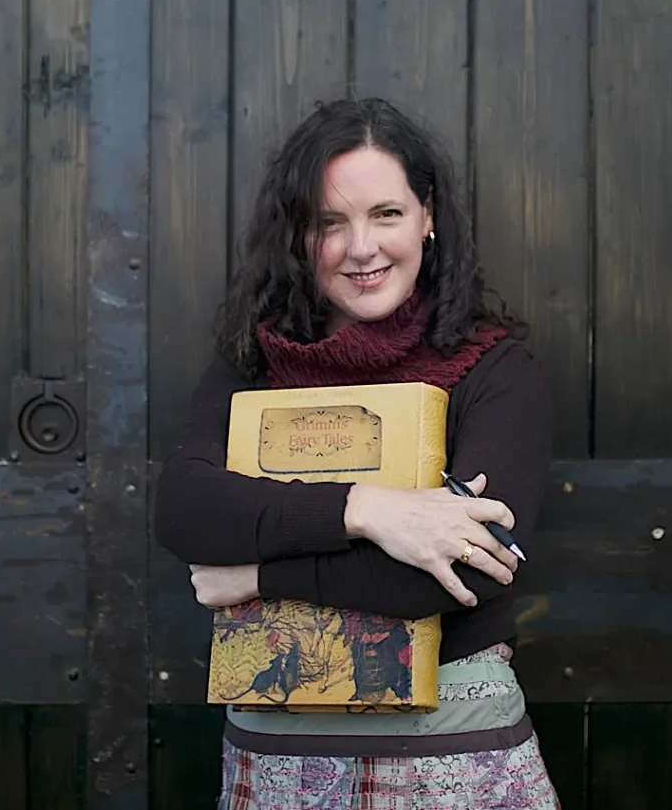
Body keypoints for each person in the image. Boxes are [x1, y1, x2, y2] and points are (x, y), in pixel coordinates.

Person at [153, 97, 560, 808]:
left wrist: (252, 571)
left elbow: (464, 573)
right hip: (279, 759)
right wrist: (369, 511)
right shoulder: (254, 359)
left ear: (427, 215)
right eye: (329, 223)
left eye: (386, 214)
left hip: (452, 755)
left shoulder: (493, 369)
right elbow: (184, 509)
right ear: (299, 236)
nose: (361, 247)